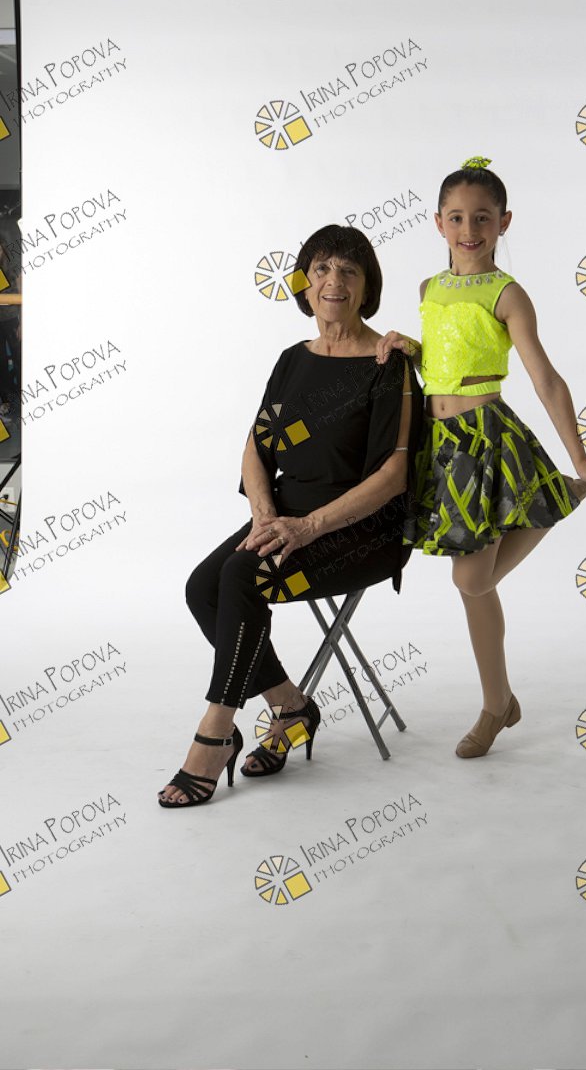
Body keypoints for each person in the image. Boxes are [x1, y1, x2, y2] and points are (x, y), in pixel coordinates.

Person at [377, 158, 586, 759]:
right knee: (473, 585)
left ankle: (496, 705)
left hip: (484, 440)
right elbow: (441, 361)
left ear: (504, 222)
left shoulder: (507, 293)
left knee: (469, 577)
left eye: (482, 218)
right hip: (439, 444)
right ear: (438, 223)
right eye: (456, 218)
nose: (469, 229)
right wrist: (409, 348)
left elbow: (545, 377)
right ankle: (499, 701)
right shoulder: (428, 289)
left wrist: (582, 456)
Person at [159, 225, 422, 808]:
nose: (333, 282)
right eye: (321, 269)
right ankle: (291, 706)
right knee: (203, 587)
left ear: (368, 288)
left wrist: (307, 528)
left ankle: (216, 733)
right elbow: (257, 446)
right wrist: (264, 515)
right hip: (285, 519)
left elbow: (394, 476)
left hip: (359, 531)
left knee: (242, 576)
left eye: (349, 271)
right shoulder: (291, 360)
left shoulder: (388, 364)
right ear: (305, 284)